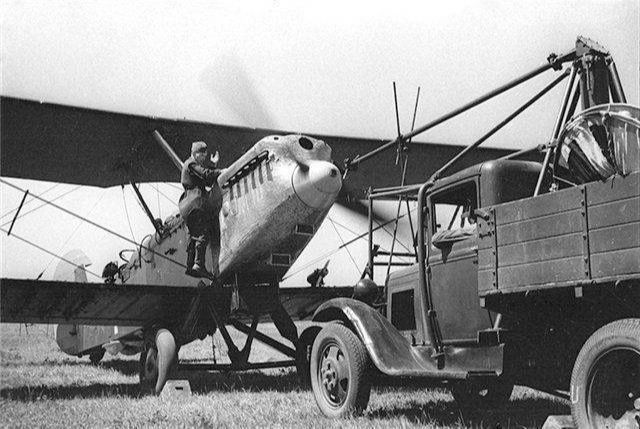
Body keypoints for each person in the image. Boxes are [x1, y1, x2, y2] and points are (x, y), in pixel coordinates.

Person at [179, 141, 224, 279]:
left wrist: (214, 166)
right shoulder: (190, 163)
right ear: (194, 153)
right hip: (195, 202)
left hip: (187, 204)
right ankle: (199, 264)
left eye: (205, 155)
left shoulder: (191, 166)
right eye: (201, 154)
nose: (204, 157)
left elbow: (205, 178)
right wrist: (221, 171)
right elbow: (205, 175)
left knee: (193, 235)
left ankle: (191, 265)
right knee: (203, 232)